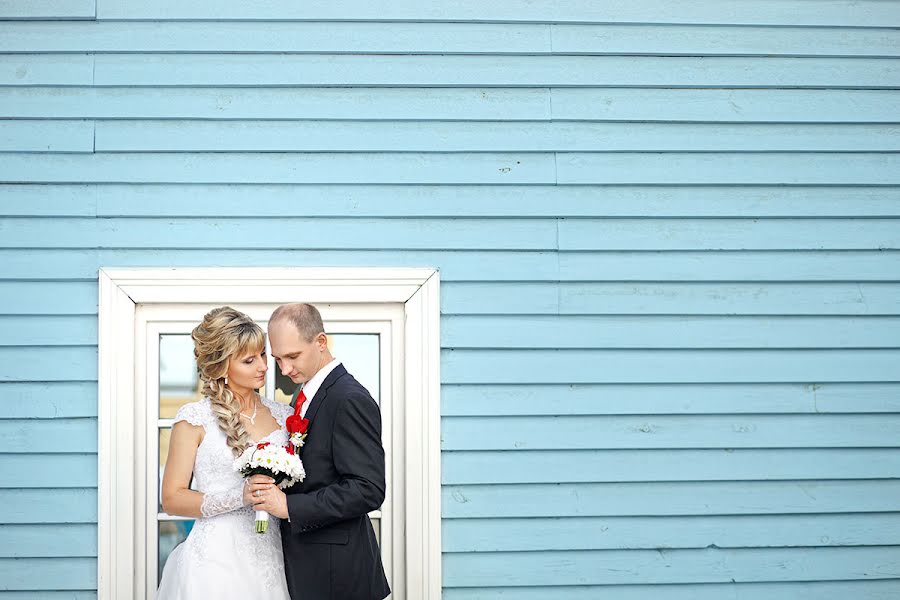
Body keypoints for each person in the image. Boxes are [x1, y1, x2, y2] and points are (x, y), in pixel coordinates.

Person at [247, 302, 391, 600]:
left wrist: (288, 507)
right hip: (311, 569)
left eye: (292, 356)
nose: (285, 369)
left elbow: (368, 489)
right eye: (277, 359)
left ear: (321, 342)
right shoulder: (310, 394)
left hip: (337, 576)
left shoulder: (348, 398)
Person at [157, 306, 293, 599]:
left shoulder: (286, 417)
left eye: (262, 356)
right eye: (249, 360)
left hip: (273, 559)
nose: (263, 367)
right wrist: (240, 496)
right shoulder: (193, 419)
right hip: (214, 564)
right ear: (221, 367)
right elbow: (171, 498)